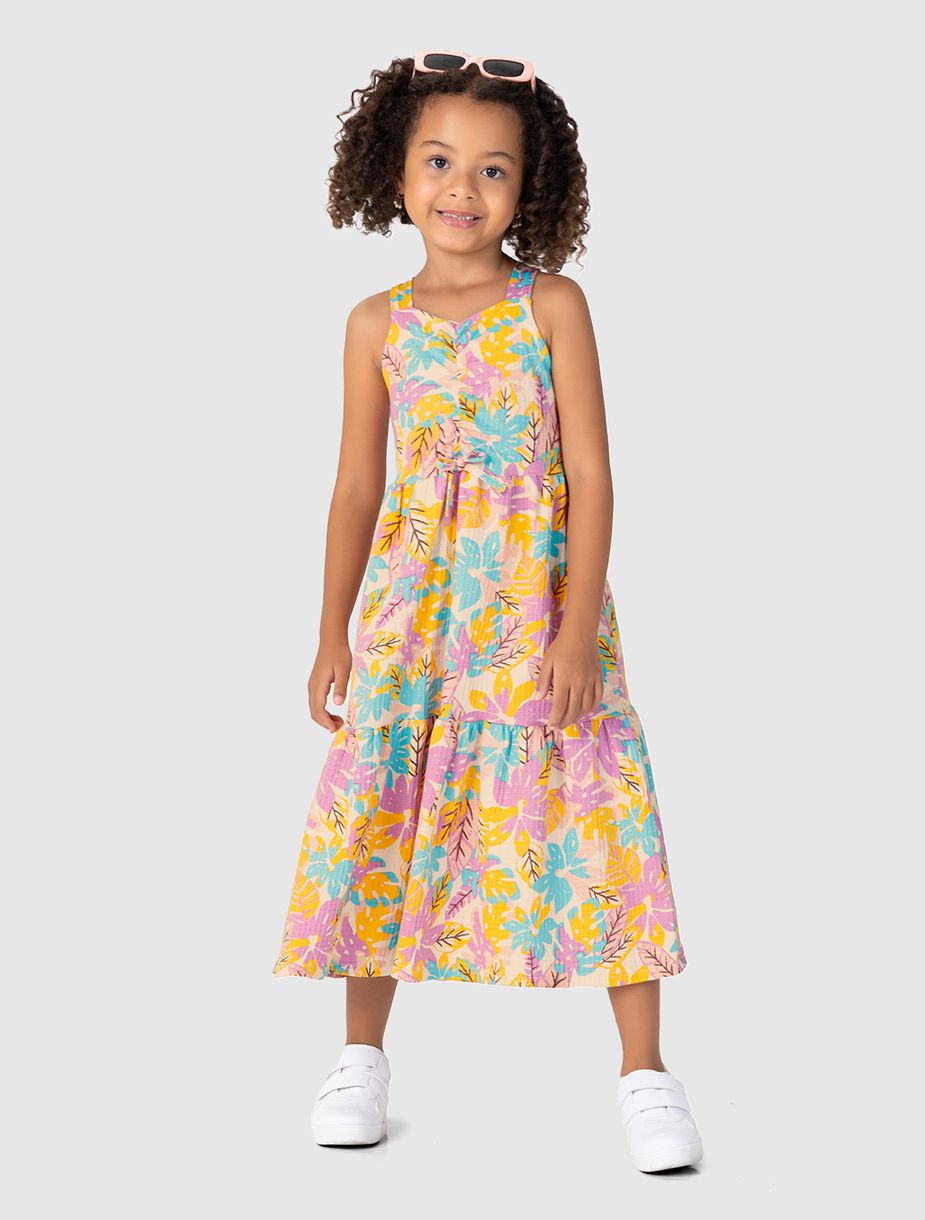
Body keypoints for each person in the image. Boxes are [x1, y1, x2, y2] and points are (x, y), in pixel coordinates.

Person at [271, 51, 704, 1174]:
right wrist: (330, 630)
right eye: (438, 161)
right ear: (395, 173)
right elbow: (356, 487)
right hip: (415, 616)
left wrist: (574, 627)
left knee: (598, 807)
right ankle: (360, 1056)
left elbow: (593, 475)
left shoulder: (551, 305)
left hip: (534, 605)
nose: (462, 187)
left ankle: (646, 1072)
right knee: (385, 809)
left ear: (529, 187)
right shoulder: (375, 322)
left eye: (493, 168)